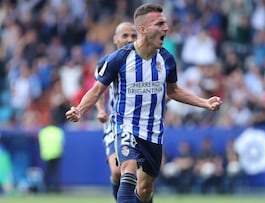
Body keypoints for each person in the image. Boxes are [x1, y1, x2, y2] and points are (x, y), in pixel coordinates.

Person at [65, 3, 222, 203]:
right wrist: (80, 109)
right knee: (124, 172)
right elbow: (97, 90)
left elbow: (173, 91)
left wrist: (205, 103)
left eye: (165, 23)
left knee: (145, 189)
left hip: (153, 132)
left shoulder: (167, 59)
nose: (166, 28)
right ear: (143, 29)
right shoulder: (119, 59)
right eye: (160, 24)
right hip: (125, 126)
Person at [95, 22, 137, 201]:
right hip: (115, 125)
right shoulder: (108, 62)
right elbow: (97, 92)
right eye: (125, 36)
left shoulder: (146, 62)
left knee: (143, 184)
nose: (129, 40)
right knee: (117, 171)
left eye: (133, 36)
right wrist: (100, 110)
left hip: (140, 124)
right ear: (115, 39)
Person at [38, 119, 65, 193]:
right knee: (55, 172)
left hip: (46, 154)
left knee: (46, 172)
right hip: (56, 153)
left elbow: (40, 142)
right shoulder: (58, 131)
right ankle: (56, 189)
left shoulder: (43, 131)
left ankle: (46, 188)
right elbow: (62, 143)